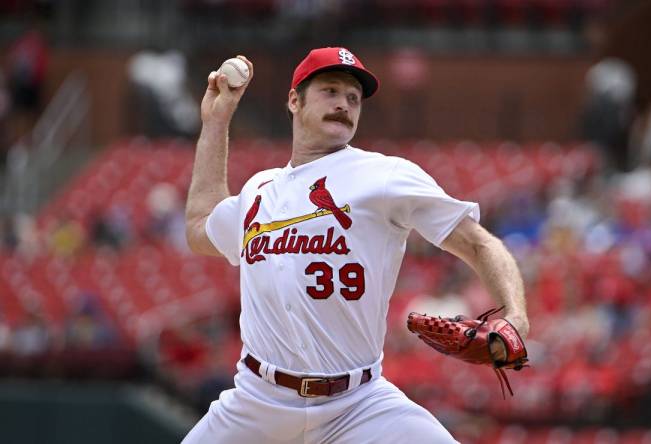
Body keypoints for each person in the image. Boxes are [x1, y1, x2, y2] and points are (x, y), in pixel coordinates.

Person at [183, 47, 530, 443]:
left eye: (353, 98)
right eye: (330, 91)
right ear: (294, 101)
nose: (344, 104)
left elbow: (478, 243)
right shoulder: (259, 190)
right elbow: (199, 228)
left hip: (358, 405)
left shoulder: (383, 176)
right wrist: (215, 121)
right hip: (257, 402)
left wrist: (516, 316)